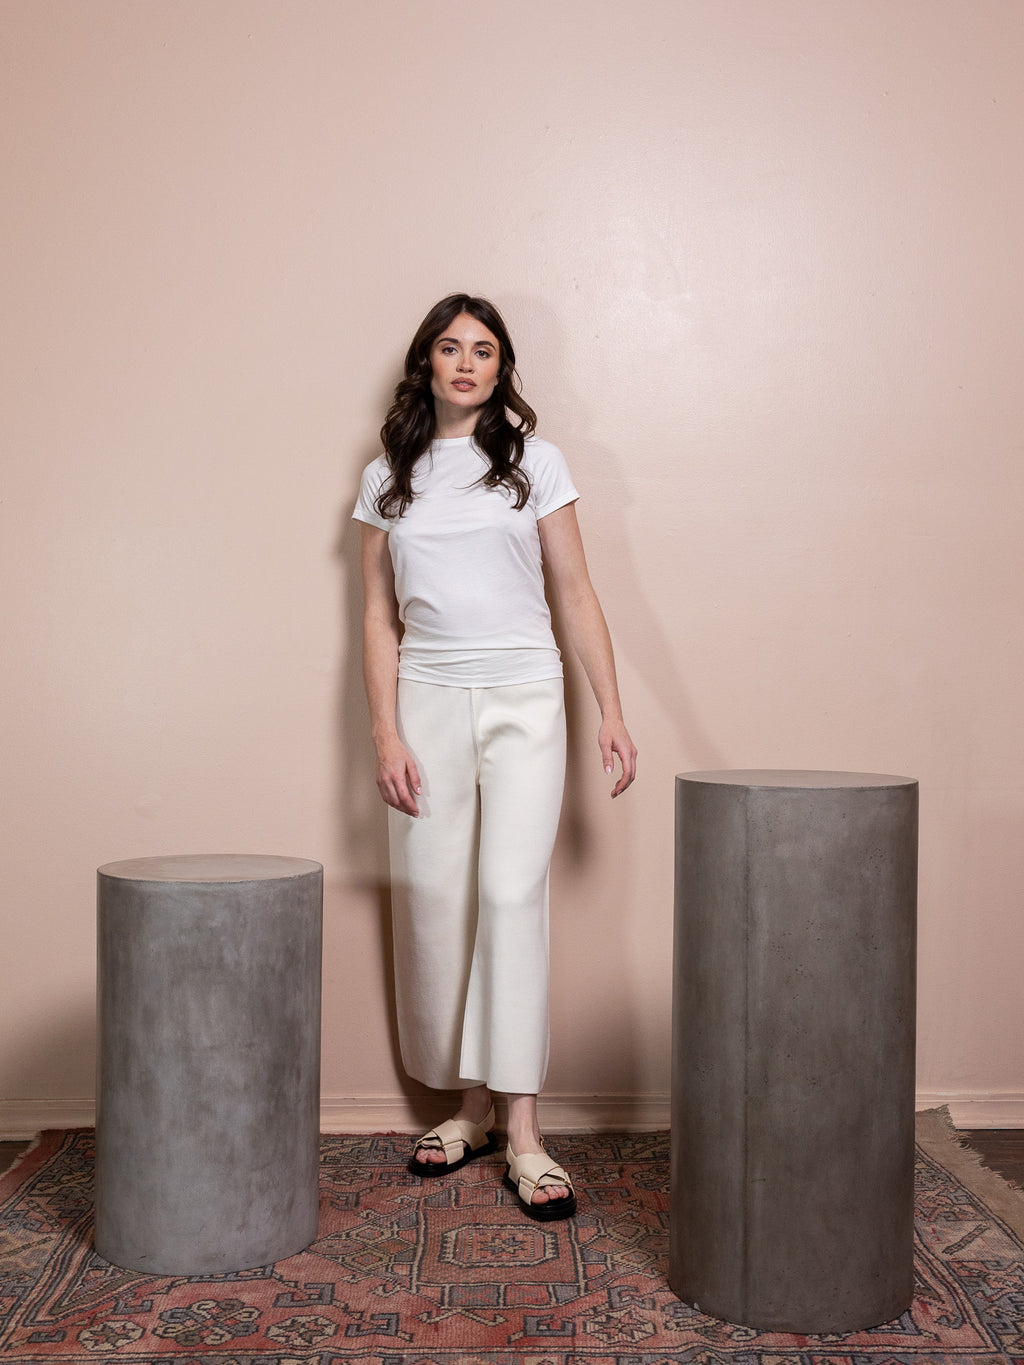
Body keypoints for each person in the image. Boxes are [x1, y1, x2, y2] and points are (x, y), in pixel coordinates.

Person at [353, 294, 636, 1221]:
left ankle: (522, 1128)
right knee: (440, 897)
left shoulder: (535, 465)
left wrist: (611, 710)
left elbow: (576, 591)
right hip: (427, 698)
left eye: (483, 350)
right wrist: (386, 731)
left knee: (512, 893)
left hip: (523, 696)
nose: (466, 363)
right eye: (450, 347)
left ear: (500, 366)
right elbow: (375, 617)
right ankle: (467, 1108)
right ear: (426, 363)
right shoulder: (386, 477)